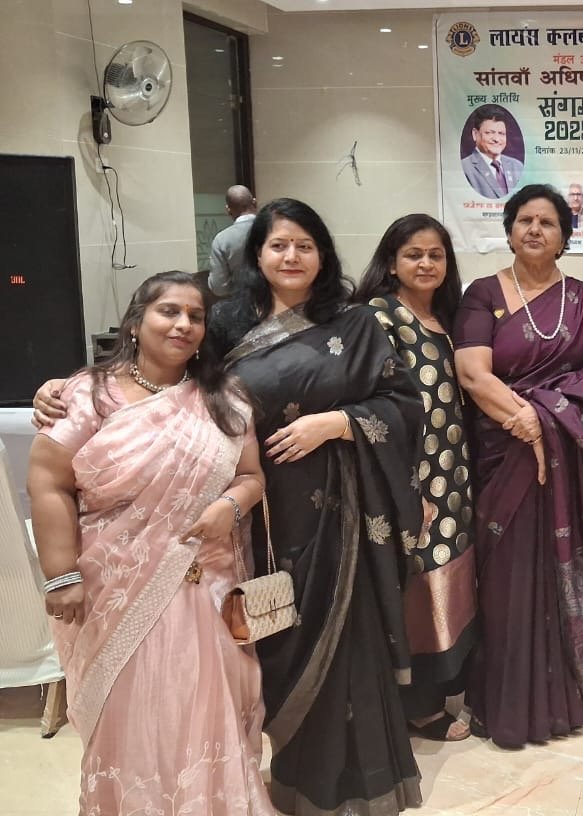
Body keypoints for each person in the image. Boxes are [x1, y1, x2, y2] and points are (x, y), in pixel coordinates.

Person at [208, 199, 426, 813]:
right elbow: (171, 380)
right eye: (278, 245)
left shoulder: (354, 323)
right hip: (258, 509)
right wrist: (69, 388)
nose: (292, 257)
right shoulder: (225, 325)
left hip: (341, 510)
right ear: (257, 254)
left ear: (323, 255)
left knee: (344, 638)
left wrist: (338, 423)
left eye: (305, 245)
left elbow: (403, 403)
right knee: (270, 632)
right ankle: (277, 771)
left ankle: (353, 784)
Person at [27, 271, 273, 815]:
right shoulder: (89, 394)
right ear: (136, 323)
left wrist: (229, 507)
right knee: (134, 706)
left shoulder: (225, 397)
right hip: (115, 582)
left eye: (196, 316)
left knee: (201, 700)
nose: (184, 324)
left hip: (205, 582)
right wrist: (61, 574)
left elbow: (250, 476)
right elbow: (48, 481)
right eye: (169, 311)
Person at [454, 184, 583, 749]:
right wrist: (526, 421)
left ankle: (561, 702)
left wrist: (547, 422)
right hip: (504, 454)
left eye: (547, 222)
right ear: (508, 230)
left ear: (563, 237)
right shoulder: (482, 294)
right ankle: (505, 704)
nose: (534, 229)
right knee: (505, 580)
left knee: (559, 578)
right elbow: (473, 373)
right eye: (524, 220)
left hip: (566, 463)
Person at [352, 214, 476, 742]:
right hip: (412, 480)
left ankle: (443, 687)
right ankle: (414, 704)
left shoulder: (447, 315)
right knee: (416, 584)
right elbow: (374, 403)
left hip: (455, 474)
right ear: (391, 262)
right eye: (413, 254)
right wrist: (407, 488)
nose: (426, 264)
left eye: (435, 255)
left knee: (448, 579)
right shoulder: (379, 316)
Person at [462, 107, 524, 199]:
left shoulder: (517, 166)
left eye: (501, 133)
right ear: (475, 134)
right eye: (489, 133)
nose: (496, 139)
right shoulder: (465, 168)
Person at [208, 184, 257, 296]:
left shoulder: (222, 240)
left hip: (242, 301)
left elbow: (219, 288)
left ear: (228, 210)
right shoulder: (273, 230)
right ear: (254, 202)